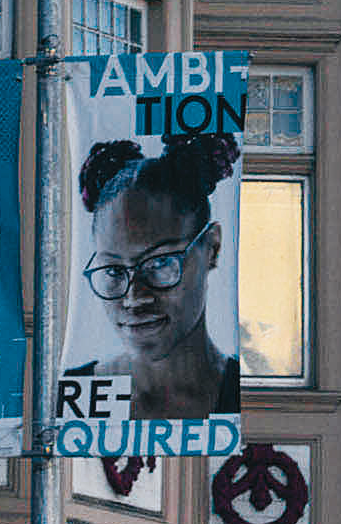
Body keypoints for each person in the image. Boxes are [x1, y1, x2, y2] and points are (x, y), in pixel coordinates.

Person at [73, 134, 242, 422]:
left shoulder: (243, 396)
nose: (134, 298)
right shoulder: (73, 397)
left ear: (212, 247)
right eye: (113, 270)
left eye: (160, 263)